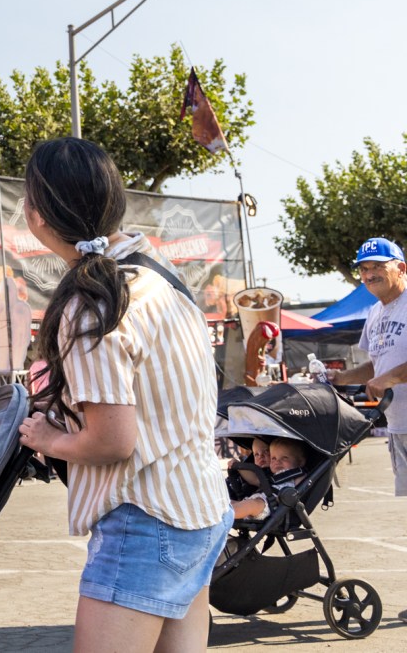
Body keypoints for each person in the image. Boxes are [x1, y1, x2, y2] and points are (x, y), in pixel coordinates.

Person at [16, 138, 231, 653]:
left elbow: (113, 442)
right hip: (200, 508)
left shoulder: (95, 302)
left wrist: (46, 437)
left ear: (38, 215)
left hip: (145, 518)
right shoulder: (160, 276)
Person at [329, 238, 407, 497]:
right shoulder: (374, 313)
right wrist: (340, 377)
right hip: (398, 425)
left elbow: (385, 374)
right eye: (363, 269)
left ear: (401, 269)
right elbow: (378, 364)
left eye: (377, 266)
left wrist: (389, 378)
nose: (369, 274)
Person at [231, 437, 309, 520]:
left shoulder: (299, 475)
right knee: (229, 502)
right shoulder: (273, 476)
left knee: (250, 505)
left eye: (284, 458)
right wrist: (239, 466)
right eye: (273, 458)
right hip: (258, 500)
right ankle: (220, 512)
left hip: (271, 506)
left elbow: (301, 491)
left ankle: (226, 516)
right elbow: (254, 479)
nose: (277, 462)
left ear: (300, 461)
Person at [244, 321, 280, 387]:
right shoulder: (252, 355)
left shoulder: (260, 354)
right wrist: (257, 382)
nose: (268, 341)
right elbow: (248, 378)